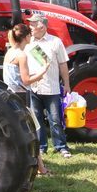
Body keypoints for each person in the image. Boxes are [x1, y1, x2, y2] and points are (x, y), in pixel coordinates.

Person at [3, 23, 51, 175]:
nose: (32, 37)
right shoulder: (21, 55)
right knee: (34, 131)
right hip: (22, 97)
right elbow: (25, 80)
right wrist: (42, 72)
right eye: (30, 34)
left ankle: (39, 167)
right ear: (26, 37)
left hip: (9, 94)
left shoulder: (10, 52)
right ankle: (40, 169)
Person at [25, 13, 73, 158]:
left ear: (42, 26)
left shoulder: (55, 42)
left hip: (51, 88)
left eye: (33, 24)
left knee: (55, 119)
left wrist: (66, 84)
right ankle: (41, 147)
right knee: (37, 120)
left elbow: (63, 64)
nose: (30, 27)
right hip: (33, 88)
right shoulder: (28, 42)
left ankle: (61, 146)